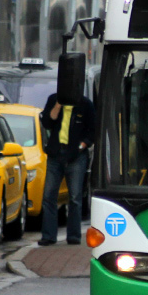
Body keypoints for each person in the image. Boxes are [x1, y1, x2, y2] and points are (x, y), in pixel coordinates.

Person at [38, 92, 95, 245]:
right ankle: (48, 236)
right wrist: (57, 105)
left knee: (75, 197)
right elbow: (47, 123)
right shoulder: (53, 99)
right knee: (49, 196)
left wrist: (81, 146)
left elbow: (92, 130)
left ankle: (74, 236)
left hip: (76, 156)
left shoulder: (85, 104)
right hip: (56, 154)